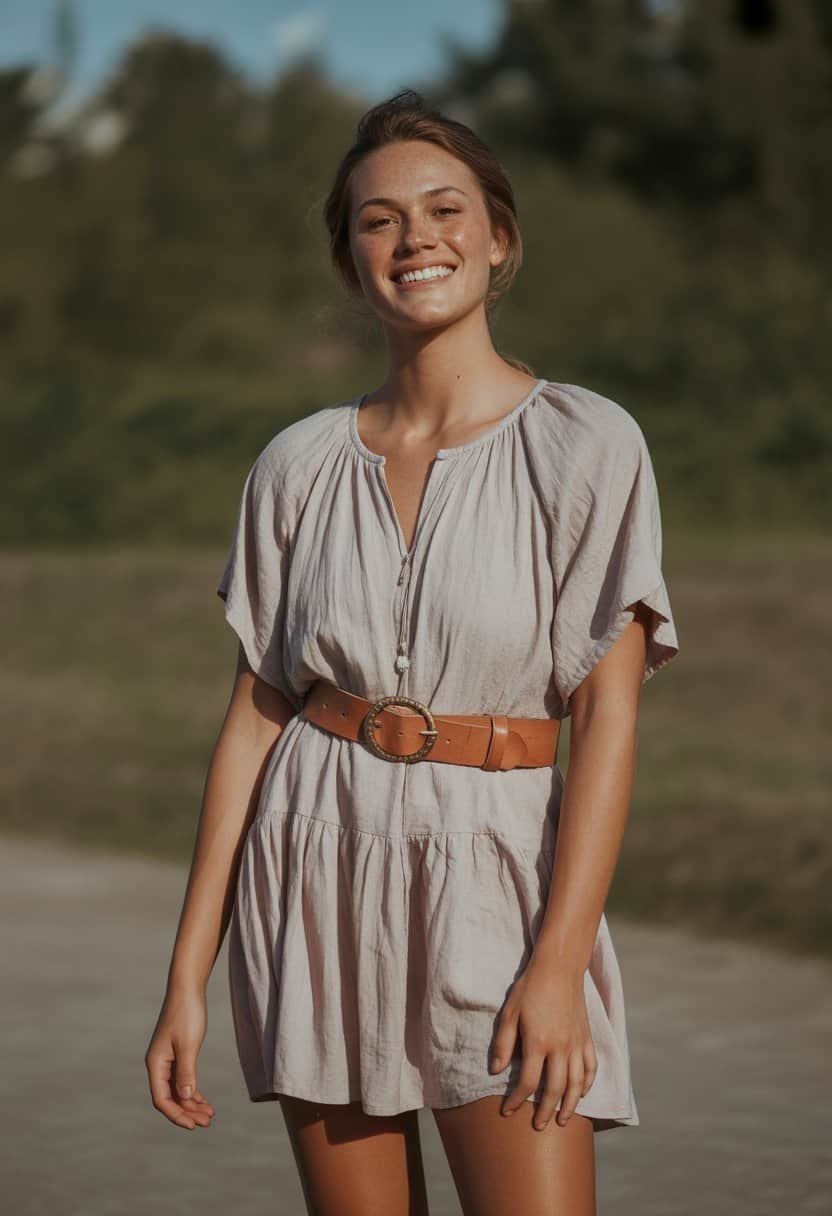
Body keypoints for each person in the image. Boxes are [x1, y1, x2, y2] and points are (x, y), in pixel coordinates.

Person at [145, 89, 680, 1215]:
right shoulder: (295, 464)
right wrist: (187, 975)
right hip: (314, 871)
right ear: (348, 258)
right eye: (377, 220)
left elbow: (610, 720)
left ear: (498, 237)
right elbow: (254, 721)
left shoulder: (586, 446)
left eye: (444, 209)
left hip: (498, 884)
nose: (414, 238)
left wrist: (556, 965)